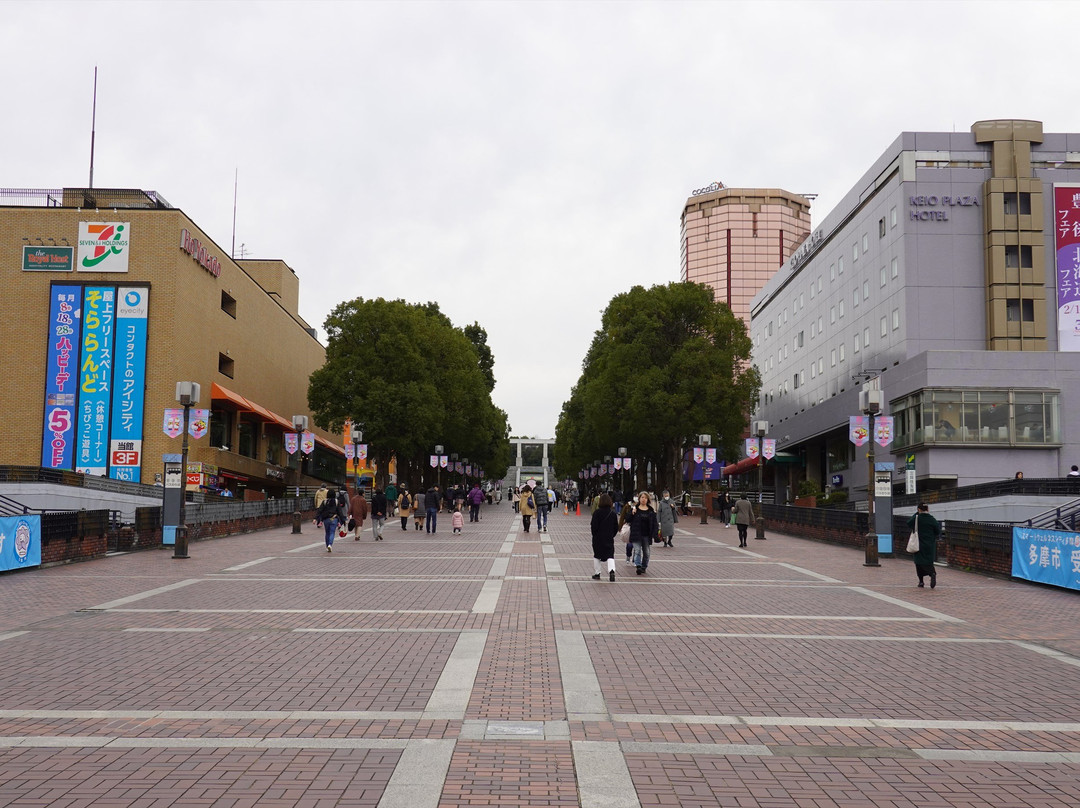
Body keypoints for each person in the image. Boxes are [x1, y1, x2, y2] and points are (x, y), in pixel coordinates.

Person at [907, 502, 942, 588]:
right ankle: (932, 573)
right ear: (928, 509)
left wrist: (916, 513)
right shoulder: (932, 519)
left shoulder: (917, 518)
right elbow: (938, 531)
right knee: (929, 561)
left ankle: (921, 581)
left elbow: (908, 523)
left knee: (918, 562)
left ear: (919, 509)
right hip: (930, 544)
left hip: (918, 543)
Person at [589, 493, 619, 582]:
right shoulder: (612, 513)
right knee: (610, 555)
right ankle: (612, 571)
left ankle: (597, 573)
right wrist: (612, 535)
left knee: (597, 555)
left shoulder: (597, 513)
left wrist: (594, 534)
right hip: (609, 537)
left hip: (598, 538)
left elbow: (593, 526)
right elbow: (616, 527)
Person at [628, 491, 658, 575]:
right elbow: (628, 519)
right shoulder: (635, 509)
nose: (643, 499)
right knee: (637, 550)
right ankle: (638, 566)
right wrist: (632, 513)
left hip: (646, 535)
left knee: (647, 552)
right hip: (636, 533)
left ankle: (644, 566)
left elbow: (654, 523)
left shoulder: (651, 511)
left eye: (645, 497)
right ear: (639, 498)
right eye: (642, 497)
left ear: (647, 499)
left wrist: (655, 534)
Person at [316, 487, 342, 553]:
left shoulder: (324, 502)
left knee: (327, 533)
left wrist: (315, 518)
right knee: (332, 532)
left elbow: (320, 510)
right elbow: (340, 511)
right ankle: (330, 544)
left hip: (326, 519)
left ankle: (327, 545)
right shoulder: (336, 501)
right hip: (334, 518)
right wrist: (343, 520)